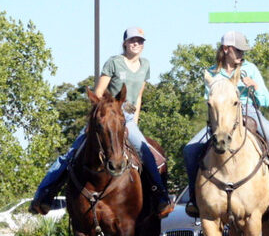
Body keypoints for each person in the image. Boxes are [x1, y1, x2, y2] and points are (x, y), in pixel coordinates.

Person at [30, 27, 173, 218]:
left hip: (126, 119)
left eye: (140, 41)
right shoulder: (114, 62)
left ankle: (160, 196)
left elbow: (138, 96)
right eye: (132, 41)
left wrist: (133, 122)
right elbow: (98, 93)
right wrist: (108, 113)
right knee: (71, 154)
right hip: (107, 115)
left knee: (147, 153)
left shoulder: (145, 65)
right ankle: (44, 196)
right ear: (125, 43)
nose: (136, 44)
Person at [183, 30, 269, 217]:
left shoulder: (250, 69)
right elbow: (208, 100)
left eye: (243, 51)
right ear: (226, 49)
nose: (242, 54)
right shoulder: (212, 73)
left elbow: (265, 100)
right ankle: (195, 198)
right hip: (221, 116)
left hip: (248, 110)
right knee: (189, 150)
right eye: (238, 50)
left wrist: (255, 88)